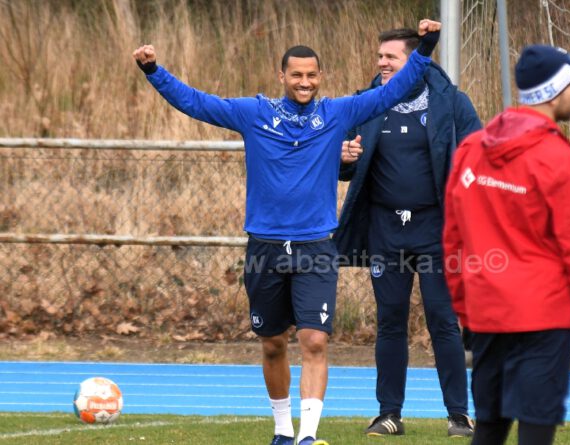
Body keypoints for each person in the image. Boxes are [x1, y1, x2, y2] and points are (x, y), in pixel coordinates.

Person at [132, 19, 441, 445]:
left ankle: (308, 437)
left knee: (314, 339)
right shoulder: (253, 112)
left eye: (312, 75)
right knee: (273, 343)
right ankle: (282, 430)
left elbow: (392, 90)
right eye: (297, 75)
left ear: (320, 77)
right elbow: (196, 103)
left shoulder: (337, 113)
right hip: (265, 247)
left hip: (316, 246)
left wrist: (426, 46)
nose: (305, 82)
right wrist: (154, 71)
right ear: (282, 76)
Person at [442, 45, 570, 445]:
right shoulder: (561, 160)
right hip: (542, 318)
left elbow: (453, 240)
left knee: (489, 426)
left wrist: (465, 310)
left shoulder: (472, 149)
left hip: (488, 312)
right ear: (553, 91)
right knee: (535, 428)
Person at [335, 27, 482, 438]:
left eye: (390, 57)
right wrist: (343, 158)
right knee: (390, 322)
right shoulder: (364, 104)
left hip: (436, 231)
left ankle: (458, 415)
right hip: (385, 231)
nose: (381, 63)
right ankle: (388, 414)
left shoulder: (451, 103)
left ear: (415, 61)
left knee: (444, 323)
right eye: (379, 56)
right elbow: (343, 165)